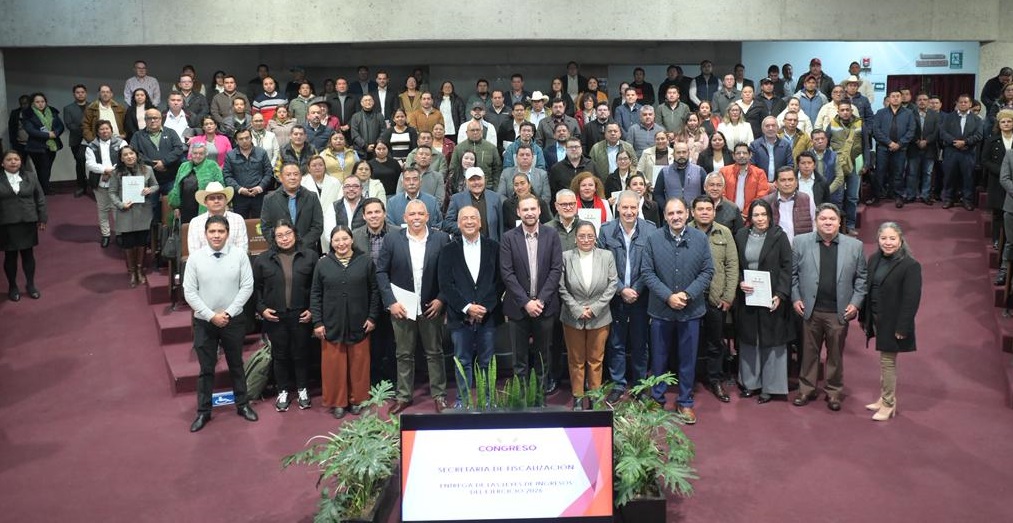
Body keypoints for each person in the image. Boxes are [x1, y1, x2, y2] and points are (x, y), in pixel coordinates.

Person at [641, 197, 714, 423]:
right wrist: (668, 296)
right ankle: (657, 398)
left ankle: (685, 402)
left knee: (687, 360)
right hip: (661, 310)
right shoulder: (653, 240)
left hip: (690, 311)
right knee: (660, 359)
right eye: (671, 213)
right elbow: (647, 272)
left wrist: (687, 294)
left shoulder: (700, 239)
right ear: (665, 216)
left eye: (679, 212)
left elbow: (707, 271)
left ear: (688, 213)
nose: (676, 217)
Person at [376, 200, 452, 414]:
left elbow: (448, 273)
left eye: (421, 213)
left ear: (428, 216)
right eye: (412, 214)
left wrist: (441, 299)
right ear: (404, 218)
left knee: (435, 352)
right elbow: (381, 272)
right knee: (403, 354)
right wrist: (391, 302)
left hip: (431, 306)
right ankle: (403, 396)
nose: (416, 217)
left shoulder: (441, 238)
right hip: (402, 308)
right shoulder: (392, 239)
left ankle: (439, 395)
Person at [791, 203, 867, 412]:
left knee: (835, 355)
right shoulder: (800, 242)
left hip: (838, 311)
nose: (827, 222)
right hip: (810, 310)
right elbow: (792, 275)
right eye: (823, 219)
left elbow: (862, 279)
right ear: (816, 221)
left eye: (832, 219)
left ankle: (833, 392)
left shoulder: (855, 246)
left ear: (839, 222)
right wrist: (795, 298)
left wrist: (855, 303)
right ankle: (806, 389)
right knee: (808, 353)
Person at [184, 215, 257, 432]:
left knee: (236, 364)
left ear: (227, 233)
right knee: (206, 369)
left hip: (232, 320)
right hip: (204, 322)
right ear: (205, 234)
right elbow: (189, 291)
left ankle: (243, 405)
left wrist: (228, 313)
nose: (216, 235)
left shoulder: (239, 255)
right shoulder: (195, 258)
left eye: (221, 231)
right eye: (212, 231)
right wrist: (210, 315)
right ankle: (203, 412)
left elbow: (247, 286)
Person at [310, 224, 379, 418]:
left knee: (359, 365)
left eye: (345, 239)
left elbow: (375, 291)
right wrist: (317, 322)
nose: (341, 243)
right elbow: (315, 294)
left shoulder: (365, 261)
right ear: (331, 243)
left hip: (360, 322)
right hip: (331, 323)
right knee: (334, 366)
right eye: (336, 240)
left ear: (352, 240)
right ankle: (338, 402)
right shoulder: (323, 264)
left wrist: (372, 317)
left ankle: (358, 399)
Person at [440, 205, 504, 408]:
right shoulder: (448, 250)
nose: (469, 222)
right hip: (460, 318)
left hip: (488, 316)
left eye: (473, 218)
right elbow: (445, 284)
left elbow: (500, 281)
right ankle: (463, 400)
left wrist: (483, 307)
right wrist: (467, 308)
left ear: (480, 222)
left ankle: (488, 400)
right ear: (458, 224)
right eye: (464, 218)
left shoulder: (494, 247)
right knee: (462, 361)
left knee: (487, 361)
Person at [251, 219, 317, 413]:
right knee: (280, 355)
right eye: (280, 235)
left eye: (288, 234)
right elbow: (255, 289)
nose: (284, 238)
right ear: (274, 238)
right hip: (275, 317)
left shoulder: (310, 256)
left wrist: (313, 309)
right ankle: (283, 390)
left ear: (295, 234)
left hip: (301, 314)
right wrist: (261, 309)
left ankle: (303, 389)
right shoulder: (263, 259)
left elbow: (317, 287)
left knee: (301, 353)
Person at [500, 194, 564, 396]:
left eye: (532, 209)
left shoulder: (551, 235)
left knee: (543, 356)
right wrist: (526, 302)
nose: (529, 213)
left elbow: (556, 269)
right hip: (518, 308)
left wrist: (541, 300)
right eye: (524, 209)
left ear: (539, 211)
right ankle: (521, 395)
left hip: (545, 307)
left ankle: (540, 394)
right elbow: (507, 273)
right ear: (518, 212)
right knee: (519, 357)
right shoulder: (508, 237)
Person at [597, 191, 656, 402]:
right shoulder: (606, 231)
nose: (629, 212)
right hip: (615, 296)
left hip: (642, 296)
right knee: (616, 343)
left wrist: (636, 289)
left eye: (633, 207)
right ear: (618, 208)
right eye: (625, 207)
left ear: (638, 207)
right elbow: (603, 264)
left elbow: (651, 265)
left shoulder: (650, 230)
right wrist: (621, 289)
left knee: (641, 343)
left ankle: (640, 385)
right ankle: (618, 384)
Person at [859, 222, 921, 422]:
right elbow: (869, 288)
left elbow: (911, 300)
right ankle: (885, 398)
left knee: (887, 362)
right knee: (885, 360)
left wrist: (903, 326)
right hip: (876, 316)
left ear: (901, 240)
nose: (888, 242)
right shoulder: (874, 258)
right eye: (883, 238)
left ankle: (888, 403)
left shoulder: (910, 265)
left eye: (892, 238)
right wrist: (864, 317)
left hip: (893, 322)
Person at [734, 199, 792, 402]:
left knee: (772, 341)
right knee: (750, 339)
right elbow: (735, 265)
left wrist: (781, 294)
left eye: (763, 214)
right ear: (750, 217)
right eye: (756, 215)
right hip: (748, 297)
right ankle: (750, 383)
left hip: (772, 298)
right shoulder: (740, 236)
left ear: (770, 216)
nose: (760, 219)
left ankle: (770, 387)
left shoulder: (779, 236)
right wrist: (740, 282)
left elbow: (788, 267)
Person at [558, 221, 617, 410]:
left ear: (595, 238)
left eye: (590, 236)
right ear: (575, 238)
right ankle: (577, 397)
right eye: (581, 236)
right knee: (575, 360)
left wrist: (595, 308)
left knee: (596, 360)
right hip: (572, 317)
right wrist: (576, 309)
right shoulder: (566, 257)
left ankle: (594, 398)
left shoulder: (606, 256)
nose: (585, 239)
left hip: (599, 317)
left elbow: (612, 284)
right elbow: (561, 286)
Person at [689, 195, 738, 403]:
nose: (704, 212)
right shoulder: (685, 230)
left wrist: (728, 295)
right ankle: (687, 381)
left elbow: (732, 265)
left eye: (708, 209)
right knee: (688, 342)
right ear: (693, 212)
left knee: (715, 343)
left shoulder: (724, 232)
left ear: (714, 211)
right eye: (700, 209)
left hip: (715, 298)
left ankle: (715, 379)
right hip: (691, 299)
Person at [107, 146, 159, 286]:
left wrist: (149, 189)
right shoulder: (116, 173)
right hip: (125, 211)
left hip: (143, 211)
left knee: (141, 242)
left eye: (131, 153)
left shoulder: (147, 169)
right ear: (121, 158)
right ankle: (132, 272)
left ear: (136, 155)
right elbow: (111, 192)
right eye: (125, 155)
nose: (129, 156)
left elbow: (156, 186)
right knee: (128, 243)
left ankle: (139, 270)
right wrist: (120, 204)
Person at [0, 151, 46, 302]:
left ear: (21, 161)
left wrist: (42, 218)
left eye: (16, 159)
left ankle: (30, 285)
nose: (13, 162)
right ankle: (12, 286)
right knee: (10, 257)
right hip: (7, 223)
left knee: (28, 255)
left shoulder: (31, 176)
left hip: (27, 221)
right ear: (2, 163)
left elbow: (40, 197)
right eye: (9, 160)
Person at [261, 163, 324, 254]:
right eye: (288, 175)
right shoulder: (269, 199)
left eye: (296, 174)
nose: (292, 177)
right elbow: (266, 227)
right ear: (281, 178)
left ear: (301, 177)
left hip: (307, 252)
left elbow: (318, 226)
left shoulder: (312, 197)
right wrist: (280, 243)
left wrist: (302, 244)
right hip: (279, 253)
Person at [85, 120, 127, 247]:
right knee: (103, 209)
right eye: (101, 129)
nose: (105, 131)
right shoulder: (91, 146)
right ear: (97, 132)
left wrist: (112, 171)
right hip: (99, 182)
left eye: (107, 129)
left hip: (118, 181)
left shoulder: (121, 143)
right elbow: (90, 164)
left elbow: (125, 158)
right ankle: (106, 235)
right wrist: (104, 170)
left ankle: (119, 234)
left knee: (117, 209)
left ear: (111, 130)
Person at [939, 94, 985, 210]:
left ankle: (967, 200)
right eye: (961, 102)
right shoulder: (948, 117)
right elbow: (943, 133)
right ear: (957, 103)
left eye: (965, 102)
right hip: (951, 152)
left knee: (968, 177)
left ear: (970, 104)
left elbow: (979, 135)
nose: (963, 104)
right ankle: (949, 199)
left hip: (968, 152)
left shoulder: (977, 119)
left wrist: (965, 142)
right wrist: (955, 142)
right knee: (949, 176)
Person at [872, 91, 916, 207]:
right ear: (889, 99)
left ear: (902, 98)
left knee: (898, 173)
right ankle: (877, 196)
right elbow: (876, 130)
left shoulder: (909, 113)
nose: (895, 99)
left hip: (900, 149)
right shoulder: (881, 113)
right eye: (893, 97)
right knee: (880, 172)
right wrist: (889, 143)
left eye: (898, 96)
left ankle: (898, 196)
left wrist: (899, 144)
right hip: (883, 148)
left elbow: (911, 131)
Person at [167, 142, 224, 224]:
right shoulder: (184, 166)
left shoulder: (213, 166)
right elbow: (176, 188)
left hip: (206, 209)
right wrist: (176, 207)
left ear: (206, 154)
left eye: (201, 153)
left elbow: (220, 186)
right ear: (191, 154)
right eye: (195, 153)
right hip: (185, 208)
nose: (197, 156)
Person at [223, 129, 274, 218]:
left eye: (247, 138)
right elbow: (227, 176)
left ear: (251, 138)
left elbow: (268, 172)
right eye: (241, 139)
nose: (244, 141)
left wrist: (260, 187)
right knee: (240, 223)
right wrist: (239, 189)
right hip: (239, 197)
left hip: (259, 196)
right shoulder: (230, 155)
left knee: (260, 224)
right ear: (236, 141)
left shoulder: (261, 152)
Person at [21, 93, 65, 195]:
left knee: (47, 167)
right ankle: (44, 189)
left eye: (42, 101)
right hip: (36, 146)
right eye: (37, 102)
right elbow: (30, 130)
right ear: (33, 103)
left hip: (52, 144)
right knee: (42, 168)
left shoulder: (52, 112)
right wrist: (47, 135)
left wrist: (55, 133)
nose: (40, 104)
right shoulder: (28, 114)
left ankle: (43, 188)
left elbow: (60, 126)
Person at [444, 167, 504, 241]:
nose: (476, 183)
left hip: (491, 246)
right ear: (466, 181)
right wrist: (465, 227)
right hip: (465, 245)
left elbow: (501, 227)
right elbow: (447, 224)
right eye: (472, 180)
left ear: (484, 179)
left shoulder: (495, 198)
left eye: (479, 179)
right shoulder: (456, 199)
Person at [187, 181, 247, 254]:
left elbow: (242, 250)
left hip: (233, 264)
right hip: (204, 264)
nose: (216, 201)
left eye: (219, 198)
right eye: (212, 198)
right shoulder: (195, 223)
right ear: (205, 202)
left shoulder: (238, 219)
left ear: (226, 200)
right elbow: (194, 253)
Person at [761, 166, 814, 245]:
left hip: (803, 248)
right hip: (775, 249)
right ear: (776, 184)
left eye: (790, 180)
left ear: (796, 182)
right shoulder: (766, 202)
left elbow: (815, 224)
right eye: (783, 180)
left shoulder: (806, 199)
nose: (787, 184)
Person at [64, 84, 90, 198]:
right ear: (74, 94)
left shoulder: (93, 106)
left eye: (82, 92)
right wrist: (85, 133)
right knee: (80, 163)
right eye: (78, 92)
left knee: (97, 162)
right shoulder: (68, 108)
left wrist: (90, 135)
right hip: (77, 140)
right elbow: (70, 125)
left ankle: (95, 186)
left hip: (92, 140)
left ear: (86, 93)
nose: (80, 94)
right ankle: (81, 186)